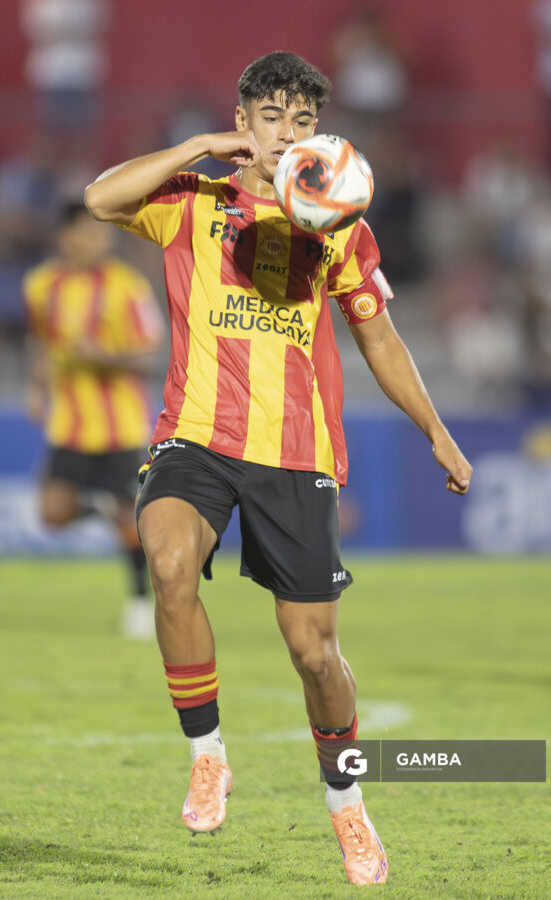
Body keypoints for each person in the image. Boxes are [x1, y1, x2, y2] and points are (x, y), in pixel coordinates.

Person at [84, 51, 472, 885]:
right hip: (195, 436)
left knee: (314, 654)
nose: (286, 135)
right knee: (168, 560)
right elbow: (99, 198)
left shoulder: (336, 217)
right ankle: (208, 755)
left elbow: (378, 338)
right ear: (245, 120)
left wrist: (436, 430)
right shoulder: (195, 200)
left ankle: (350, 808)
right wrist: (196, 144)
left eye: (302, 122)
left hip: (297, 453)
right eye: (272, 120)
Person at [24, 202, 165, 638]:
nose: (98, 241)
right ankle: (106, 504)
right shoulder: (41, 285)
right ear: (65, 237)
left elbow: (151, 356)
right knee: (52, 514)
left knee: (133, 526)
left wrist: (101, 356)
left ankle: (141, 603)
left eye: (102, 234)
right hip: (69, 422)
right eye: (88, 233)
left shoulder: (127, 286)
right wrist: (37, 388)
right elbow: (42, 342)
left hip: (120, 425)